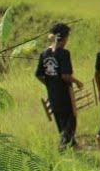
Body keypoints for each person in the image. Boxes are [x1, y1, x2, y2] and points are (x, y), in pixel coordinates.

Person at [35, 22, 82, 150]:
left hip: (52, 93)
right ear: (65, 37)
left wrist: (49, 84)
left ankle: (71, 144)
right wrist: (77, 82)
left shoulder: (44, 53)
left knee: (60, 120)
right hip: (64, 92)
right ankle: (63, 145)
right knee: (71, 119)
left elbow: (38, 74)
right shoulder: (64, 53)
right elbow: (65, 76)